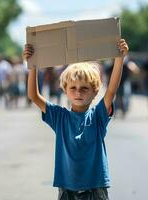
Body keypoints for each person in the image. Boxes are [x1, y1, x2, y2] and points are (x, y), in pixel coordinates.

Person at [23, 39, 129, 200]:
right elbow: (33, 96)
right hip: (67, 189)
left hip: (95, 188)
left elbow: (112, 90)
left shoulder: (98, 115)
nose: (78, 92)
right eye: (73, 88)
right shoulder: (59, 116)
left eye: (84, 88)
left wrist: (119, 58)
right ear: (65, 90)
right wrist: (32, 65)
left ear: (94, 92)